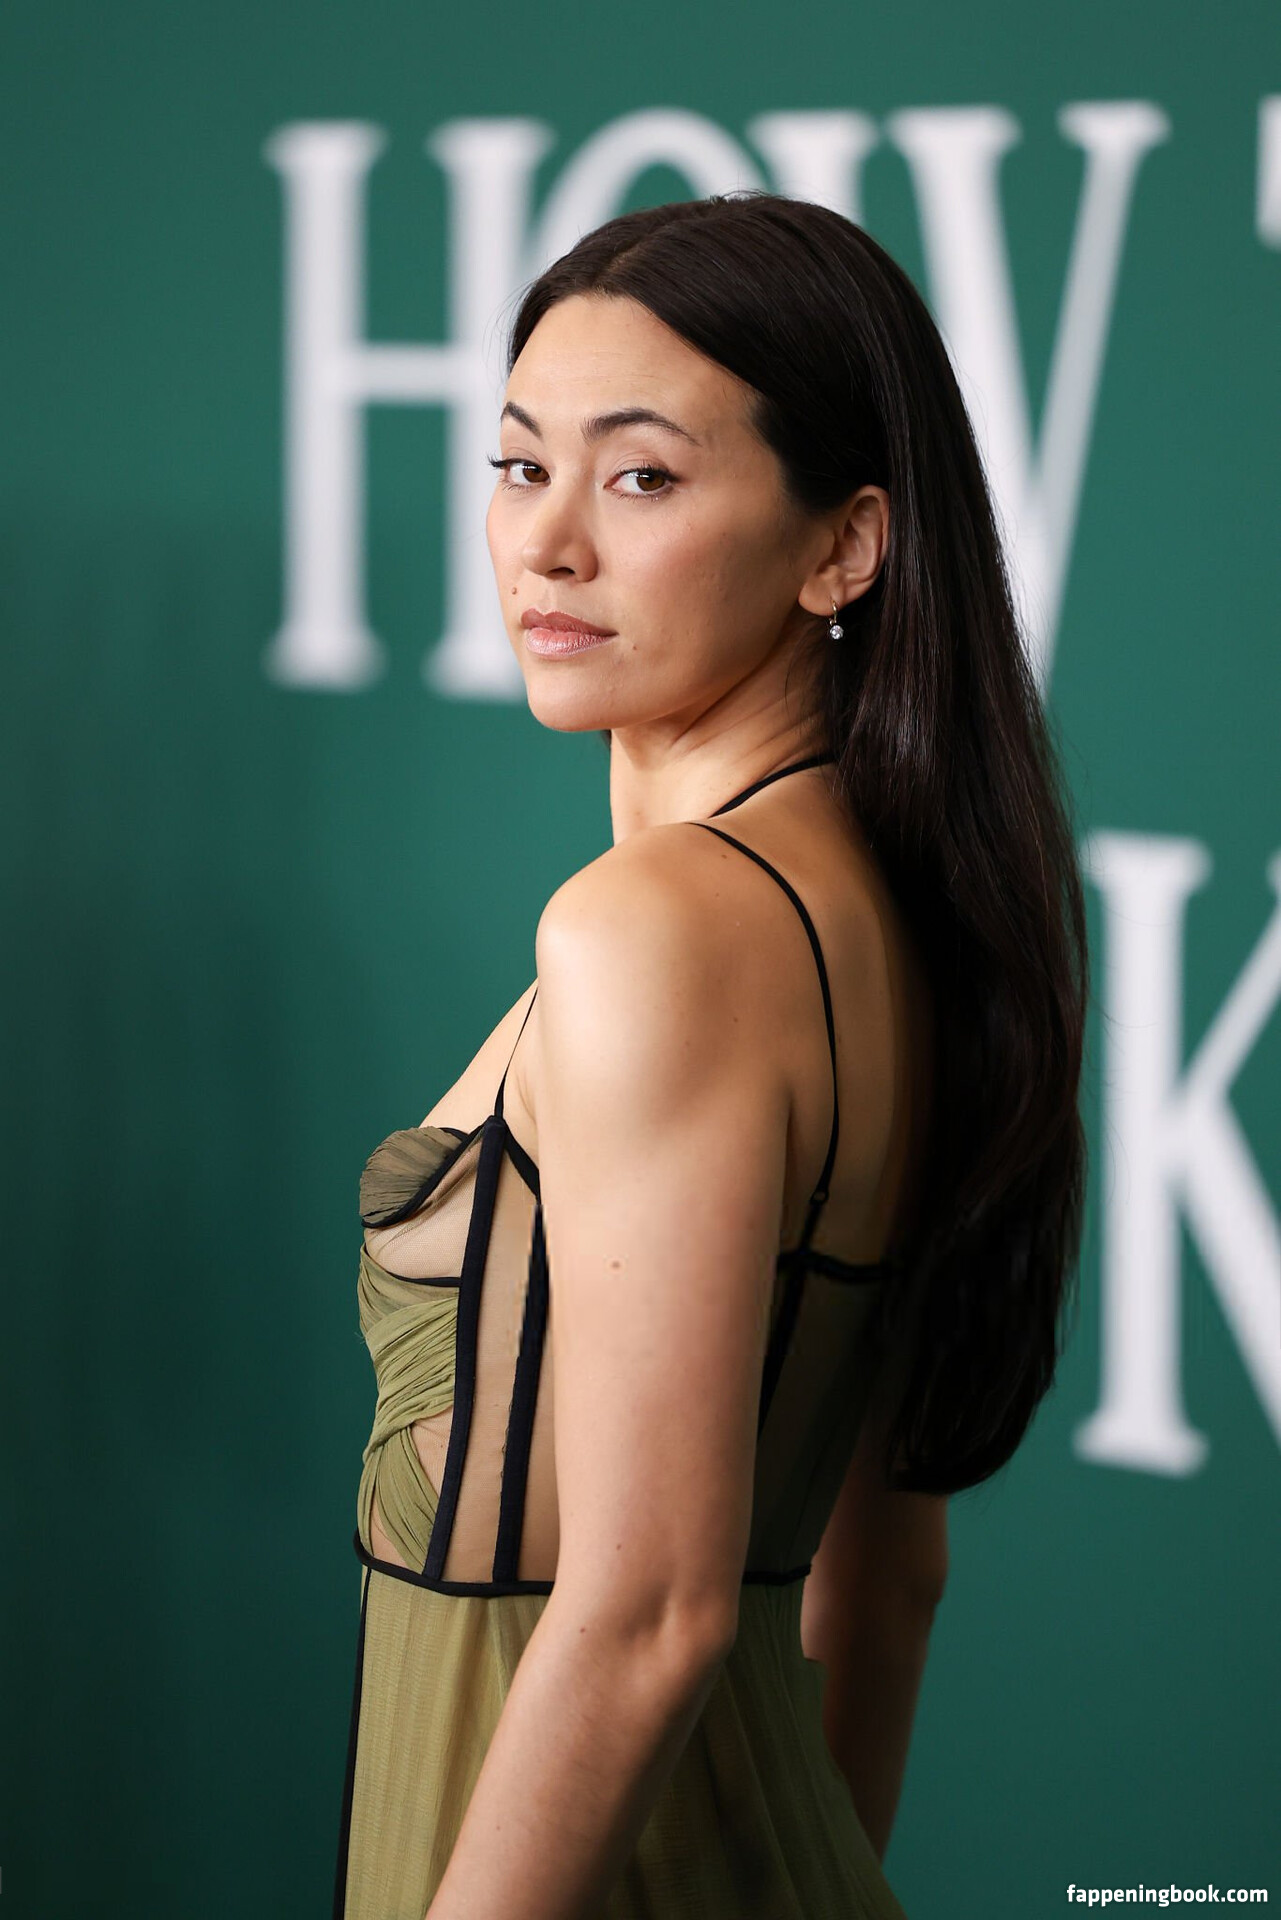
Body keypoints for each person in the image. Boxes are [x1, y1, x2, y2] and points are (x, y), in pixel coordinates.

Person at [332, 191, 1089, 1920]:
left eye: (641, 477)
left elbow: (651, 1616)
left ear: (845, 548)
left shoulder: (655, 933)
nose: (545, 544)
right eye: (519, 464)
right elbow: (886, 1583)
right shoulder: (897, 912)